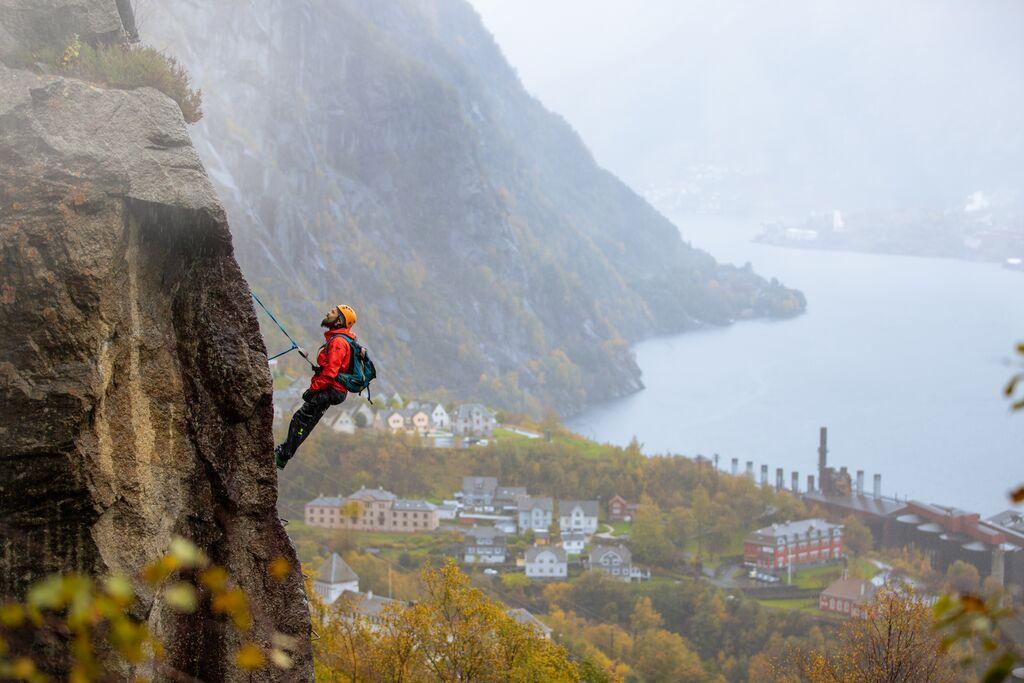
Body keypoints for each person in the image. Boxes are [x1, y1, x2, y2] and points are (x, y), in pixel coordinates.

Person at [274, 304, 358, 469]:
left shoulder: (338, 342)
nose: (329, 312)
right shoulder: (339, 339)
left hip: (330, 389)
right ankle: (283, 456)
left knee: (300, 419)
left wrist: (313, 390)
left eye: (333, 312)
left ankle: (283, 455)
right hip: (335, 391)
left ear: (340, 320)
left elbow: (331, 373)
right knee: (307, 422)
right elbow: (334, 368)